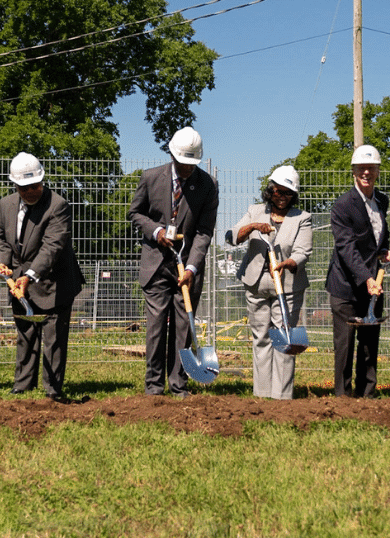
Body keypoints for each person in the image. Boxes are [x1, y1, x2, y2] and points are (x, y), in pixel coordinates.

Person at [127, 127, 218, 398]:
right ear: (172, 154)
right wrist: (156, 231)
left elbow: (204, 230)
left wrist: (192, 267)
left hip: (186, 266)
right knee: (155, 328)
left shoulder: (208, 185)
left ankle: (179, 384)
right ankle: (154, 387)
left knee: (183, 328)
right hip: (156, 264)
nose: (188, 168)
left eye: (193, 163)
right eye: (183, 163)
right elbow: (135, 213)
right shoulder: (151, 178)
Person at [0, 153, 84, 403]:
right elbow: (2, 238)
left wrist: (30, 276)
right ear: (15, 185)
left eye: (36, 185)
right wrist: (3, 262)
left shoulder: (58, 206)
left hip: (54, 281)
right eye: (25, 188)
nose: (32, 191)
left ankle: (53, 389)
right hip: (20, 282)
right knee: (25, 332)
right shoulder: (6, 205)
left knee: (54, 338)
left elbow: (52, 247)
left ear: (42, 180)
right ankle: (22, 384)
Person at [224, 165, 311, 399]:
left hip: (289, 285)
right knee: (261, 338)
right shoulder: (255, 211)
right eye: (277, 192)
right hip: (256, 283)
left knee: (284, 338)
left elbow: (303, 251)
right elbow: (232, 236)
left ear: (294, 196)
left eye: (287, 194)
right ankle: (262, 396)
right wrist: (252, 227)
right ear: (269, 190)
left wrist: (288, 263)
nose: (282, 198)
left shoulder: (302, 218)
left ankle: (282, 397)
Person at [326, 145, 390, 398]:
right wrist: (365, 277)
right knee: (344, 346)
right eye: (362, 168)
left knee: (369, 344)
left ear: (377, 171)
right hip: (345, 285)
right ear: (354, 171)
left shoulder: (382, 201)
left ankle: (367, 394)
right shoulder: (342, 206)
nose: (367, 172)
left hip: (372, 285)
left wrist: (384, 251)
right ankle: (343, 399)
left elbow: (375, 237)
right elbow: (346, 247)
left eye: (372, 168)